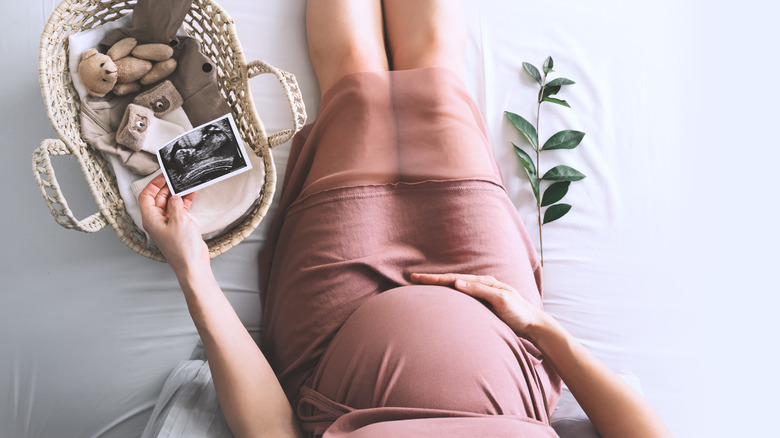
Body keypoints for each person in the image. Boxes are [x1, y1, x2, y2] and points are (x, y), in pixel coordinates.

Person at [139, 1, 673, 437]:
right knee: (437, 77)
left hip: (336, 332)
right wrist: (539, 328)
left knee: (353, 80)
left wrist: (192, 268)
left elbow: (271, 431)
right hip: (496, 314)